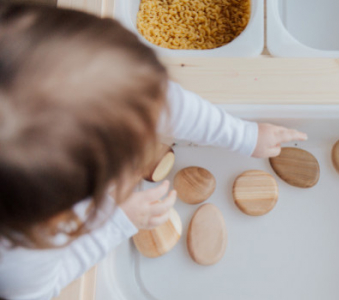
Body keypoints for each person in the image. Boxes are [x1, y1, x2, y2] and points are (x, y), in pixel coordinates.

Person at [0, 3, 307, 300]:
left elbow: (159, 103)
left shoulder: (79, 80)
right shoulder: (20, 258)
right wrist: (117, 220)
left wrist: (243, 135)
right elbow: (41, 290)